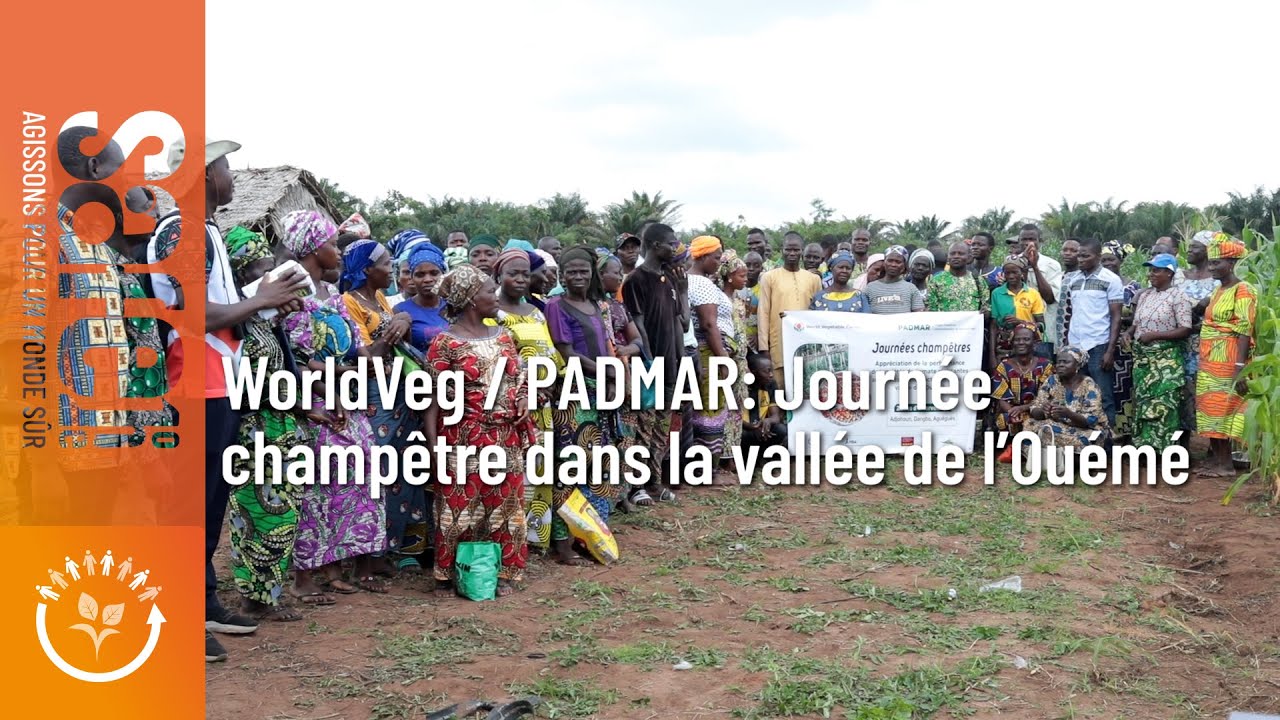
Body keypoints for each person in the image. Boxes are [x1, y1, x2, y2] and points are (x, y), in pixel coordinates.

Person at [146, 136, 308, 660]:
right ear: (205, 176)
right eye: (224, 166)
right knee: (189, 507)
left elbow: (220, 306)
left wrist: (262, 303)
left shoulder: (205, 231)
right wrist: (260, 299)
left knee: (210, 504)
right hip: (192, 384)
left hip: (218, 380)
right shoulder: (181, 233)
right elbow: (193, 316)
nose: (231, 175)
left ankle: (204, 601)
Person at [280, 210, 388, 597]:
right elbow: (295, 356)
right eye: (330, 244)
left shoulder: (331, 293)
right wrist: (340, 375)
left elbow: (355, 344)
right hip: (313, 399)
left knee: (360, 475)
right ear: (313, 248)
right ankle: (307, 576)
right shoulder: (291, 293)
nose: (338, 251)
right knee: (318, 484)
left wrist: (366, 362)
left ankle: (343, 564)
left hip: (346, 395)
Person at [222, 227, 318, 618]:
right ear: (240, 275)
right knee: (258, 514)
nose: (268, 277)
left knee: (286, 515)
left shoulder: (266, 320)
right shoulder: (234, 322)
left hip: (284, 429)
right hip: (255, 431)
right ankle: (254, 599)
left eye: (270, 269)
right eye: (259, 271)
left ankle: (269, 593)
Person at [425, 265, 535, 595]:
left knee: (507, 505)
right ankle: (452, 571)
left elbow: (518, 378)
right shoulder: (445, 343)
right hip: (462, 437)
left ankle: (504, 571)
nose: (496, 295)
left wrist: (523, 398)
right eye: (489, 290)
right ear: (471, 298)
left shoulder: (503, 336)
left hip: (505, 435)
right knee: (458, 507)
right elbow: (431, 399)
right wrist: (433, 447)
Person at [340, 240, 425, 574]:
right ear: (367, 270)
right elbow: (367, 357)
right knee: (378, 468)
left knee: (402, 468)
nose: (392, 270)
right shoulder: (349, 302)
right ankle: (367, 553)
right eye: (387, 264)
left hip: (398, 392)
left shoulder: (379, 299)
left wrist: (401, 318)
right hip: (375, 396)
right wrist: (396, 325)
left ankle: (388, 548)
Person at [546, 246, 630, 559]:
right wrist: (609, 372)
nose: (578, 276)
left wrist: (612, 380)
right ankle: (563, 540)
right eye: (572, 272)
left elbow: (606, 349)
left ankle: (593, 534)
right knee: (572, 463)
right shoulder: (557, 306)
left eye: (584, 271)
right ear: (562, 276)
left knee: (600, 462)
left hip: (602, 390)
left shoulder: (596, 305)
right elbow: (567, 353)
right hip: (576, 391)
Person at [622, 224, 686, 503]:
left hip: (671, 366)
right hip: (649, 367)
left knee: (662, 429)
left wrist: (681, 362)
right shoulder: (636, 280)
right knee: (643, 429)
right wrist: (649, 364)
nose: (675, 247)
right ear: (656, 245)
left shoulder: (669, 279)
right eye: (672, 243)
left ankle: (654, 483)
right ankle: (637, 487)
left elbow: (681, 323)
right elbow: (638, 325)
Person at [1195, 235, 1256, 477]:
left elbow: (1244, 330)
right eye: (1210, 263)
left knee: (1225, 408)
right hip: (1210, 359)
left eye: (1216, 263)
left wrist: (1240, 366)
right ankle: (1219, 460)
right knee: (1211, 407)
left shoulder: (1243, 290)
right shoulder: (1219, 290)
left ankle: (1226, 465)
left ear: (1230, 264)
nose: (1211, 267)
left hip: (1229, 358)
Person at [1124, 254, 1192, 455]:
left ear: (1169, 273)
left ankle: (1166, 451)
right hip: (1143, 360)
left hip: (1166, 360)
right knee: (1143, 404)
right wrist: (1128, 334)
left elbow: (1185, 329)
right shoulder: (1145, 295)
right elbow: (1136, 323)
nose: (1150, 274)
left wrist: (1155, 335)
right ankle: (1145, 449)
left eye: (1156, 270)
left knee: (1164, 405)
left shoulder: (1178, 296)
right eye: (1150, 270)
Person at [599, 252, 647, 511]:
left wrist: (625, 350)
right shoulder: (589, 307)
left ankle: (622, 494)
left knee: (626, 435)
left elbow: (637, 340)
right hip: (599, 377)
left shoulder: (617, 306)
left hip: (624, 375)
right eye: (614, 272)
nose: (619, 277)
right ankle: (604, 496)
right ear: (599, 274)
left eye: (620, 272)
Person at [1061, 237, 1124, 425]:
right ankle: (1080, 435)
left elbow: (1116, 317)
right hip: (1075, 347)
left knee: (1103, 394)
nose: (1080, 259)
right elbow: (1070, 313)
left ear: (1097, 257)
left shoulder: (1110, 280)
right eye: (1079, 256)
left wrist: (1110, 351)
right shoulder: (1073, 279)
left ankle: (1107, 436)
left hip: (1098, 345)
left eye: (1085, 256)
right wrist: (1066, 344)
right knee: (1076, 393)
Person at [687, 236, 736, 464]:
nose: (718, 263)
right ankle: (708, 468)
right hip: (709, 352)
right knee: (710, 407)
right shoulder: (702, 284)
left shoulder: (689, 280)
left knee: (701, 406)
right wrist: (723, 359)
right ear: (703, 257)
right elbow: (708, 325)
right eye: (716, 258)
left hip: (703, 351)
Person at [758, 232, 823, 384]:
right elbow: (763, 312)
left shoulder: (814, 279)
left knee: (805, 386)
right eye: (788, 249)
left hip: (806, 342)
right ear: (782, 250)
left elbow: (819, 313)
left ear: (802, 251)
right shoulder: (769, 277)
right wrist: (764, 348)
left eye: (796, 250)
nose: (792, 253)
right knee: (779, 388)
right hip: (778, 343)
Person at [1025, 346, 1110, 447]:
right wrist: (1043, 410)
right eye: (1059, 362)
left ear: (1077, 365)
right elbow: (1035, 409)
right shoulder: (1052, 380)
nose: (1061, 365)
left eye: (1066, 362)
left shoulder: (1089, 385)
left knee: (1089, 439)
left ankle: (1068, 451)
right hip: (1059, 426)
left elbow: (1091, 421)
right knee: (1030, 425)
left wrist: (1068, 414)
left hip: (1086, 429)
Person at [992, 323, 1055, 459]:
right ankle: (1011, 448)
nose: (1021, 342)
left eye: (1026, 339)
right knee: (1005, 419)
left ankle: (1029, 449)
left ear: (1035, 343)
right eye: (1017, 339)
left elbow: (1047, 396)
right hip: (1012, 410)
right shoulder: (1004, 366)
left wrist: (1023, 408)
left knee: (1042, 420)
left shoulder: (1046, 366)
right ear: (1012, 342)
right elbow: (1002, 397)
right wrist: (1012, 412)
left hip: (1038, 410)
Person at [1179, 231, 1220, 434]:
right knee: (1183, 392)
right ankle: (1184, 440)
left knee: (1209, 392)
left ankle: (1214, 441)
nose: (1189, 250)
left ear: (1208, 251)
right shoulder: (1180, 277)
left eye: (1195, 247)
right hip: (1181, 345)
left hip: (1210, 346)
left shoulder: (1219, 281)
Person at [1100, 241, 1140, 440]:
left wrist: (1122, 321)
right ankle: (1106, 430)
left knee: (1124, 387)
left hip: (1124, 346)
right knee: (1104, 387)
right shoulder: (1097, 283)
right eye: (1104, 260)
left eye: (1111, 259)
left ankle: (1125, 431)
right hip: (1101, 341)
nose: (1108, 263)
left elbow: (1138, 317)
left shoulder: (1133, 287)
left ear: (1120, 260)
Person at [1009, 225, 1062, 357]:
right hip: (1017, 329)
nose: (1028, 243)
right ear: (1019, 241)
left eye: (1032, 239)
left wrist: (1035, 267)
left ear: (1040, 241)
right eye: (1024, 239)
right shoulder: (1011, 263)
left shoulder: (1052, 265)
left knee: (1043, 362)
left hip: (1044, 327)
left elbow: (1049, 298)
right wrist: (1023, 268)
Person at [718, 250, 750, 464]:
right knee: (723, 407)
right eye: (741, 276)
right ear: (729, 277)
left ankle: (732, 455)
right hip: (725, 359)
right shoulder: (719, 300)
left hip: (740, 361)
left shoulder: (740, 300)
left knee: (737, 409)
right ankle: (720, 456)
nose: (745, 279)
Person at [989, 256, 1046, 365]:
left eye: (1014, 272)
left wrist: (1021, 323)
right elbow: (993, 326)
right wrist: (992, 355)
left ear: (1022, 272)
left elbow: (1042, 325)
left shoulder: (1033, 293)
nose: (1011, 276)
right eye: (1007, 273)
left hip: (1028, 345)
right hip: (1004, 346)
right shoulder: (997, 293)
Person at [394, 243, 450, 352]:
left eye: (434, 273)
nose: (428, 279)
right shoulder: (401, 310)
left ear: (443, 275)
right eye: (420, 275)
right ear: (412, 278)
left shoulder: (453, 306)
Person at [926, 242, 987, 314]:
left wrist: (985, 312)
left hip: (972, 321)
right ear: (947, 257)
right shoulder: (936, 280)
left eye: (961, 254)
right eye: (952, 253)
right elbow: (931, 310)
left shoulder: (979, 280)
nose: (956, 256)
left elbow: (986, 307)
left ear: (969, 258)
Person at [863, 246, 925, 315]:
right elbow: (862, 314)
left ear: (904, 265)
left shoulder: (911, 288)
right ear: (884, 262)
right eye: (890, 261)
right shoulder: (870, 288)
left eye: (898, 262)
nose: (893, 265)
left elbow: (919, 315)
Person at [742, 353, 786, 448]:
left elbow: (776, 416)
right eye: (767, 371)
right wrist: (752, 427)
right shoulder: (741, 387)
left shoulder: (771, 385)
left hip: (761, 429)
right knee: (742, 435)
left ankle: (764, 454)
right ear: (754, 373)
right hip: (744, 429)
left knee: (781, 430)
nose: (771, 375)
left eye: (771, 371)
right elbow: (732, 418)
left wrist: (768, 420)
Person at [739, 250, 764, 348]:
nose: (751, 269)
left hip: (756, 342)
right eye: (747, 265)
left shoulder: (765, 290)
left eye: (756, 265)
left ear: (761, 268)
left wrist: (758, 336)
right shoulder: (735, 289)